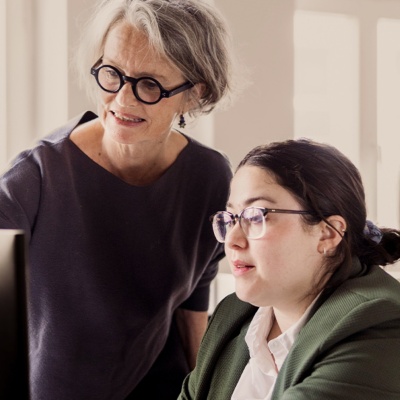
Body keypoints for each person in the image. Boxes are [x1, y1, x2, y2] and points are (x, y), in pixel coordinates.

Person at [0, 0, 236, 399]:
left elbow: (193, 304)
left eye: (149, 84)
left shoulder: (210, 178)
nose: (122, 101)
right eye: (112, 73)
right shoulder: (35, 177)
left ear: (195, 94)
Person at [178, 138, 400, 400]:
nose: (232, 240)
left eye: (255, 217)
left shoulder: (378, 322)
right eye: (231, 218)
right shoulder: (231, 316)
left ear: (327, 234)